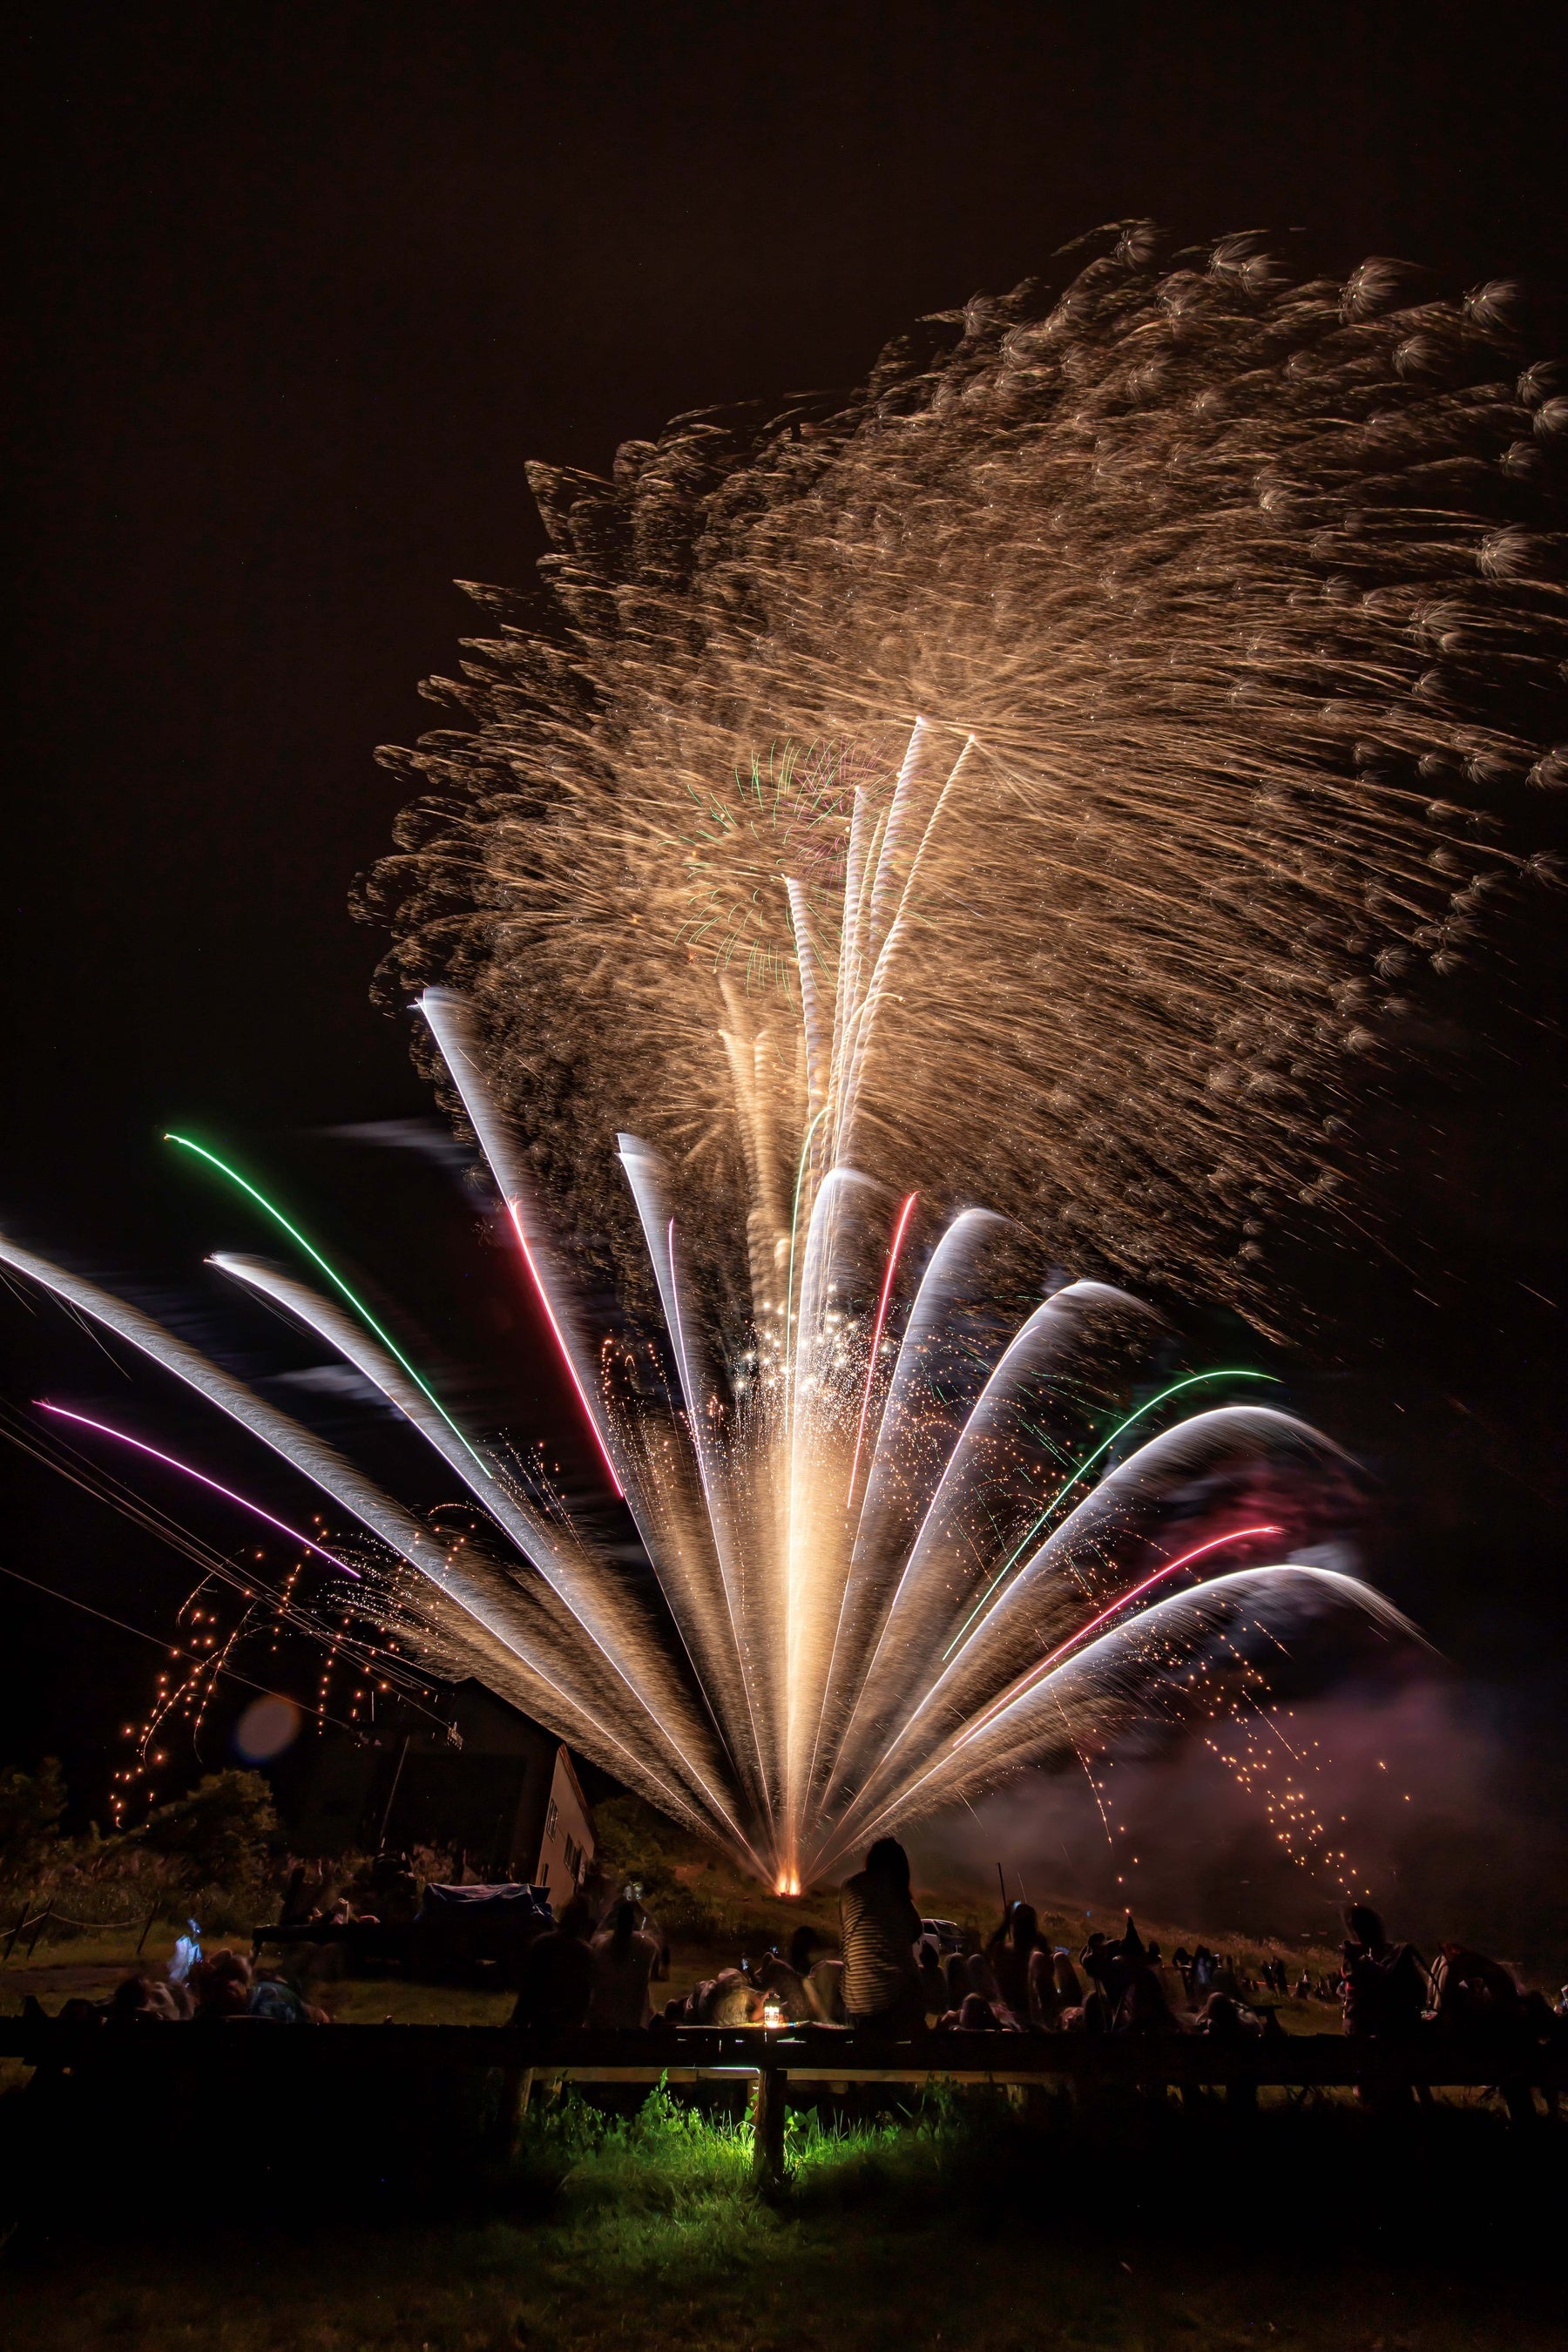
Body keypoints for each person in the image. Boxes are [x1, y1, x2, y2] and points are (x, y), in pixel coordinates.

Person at [838, 1837, 924, 2032]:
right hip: (894, 2002)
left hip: (854, 2002)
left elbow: (846, 1935)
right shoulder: (895, 1887)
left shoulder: (849, 1886)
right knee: (913, 1975)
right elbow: (916, 1930)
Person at [510, 1893, 595, 2034]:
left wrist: (519, 2018)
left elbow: (529, 1985)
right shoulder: (585, 1953)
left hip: (541, 2019)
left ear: (563, 1916)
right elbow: (584, 1994)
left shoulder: (543, 1943)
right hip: (567, 2023)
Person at [586, 1897, 659, 2029]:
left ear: (616, 1923)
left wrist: (610, 1913)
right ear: (633, 1923)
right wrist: (642, 1911)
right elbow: (655, 1932)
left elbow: (596, 1935)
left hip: (602, 2027)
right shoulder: (644, 1946)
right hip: (633, 2027)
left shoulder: (602, 1946)